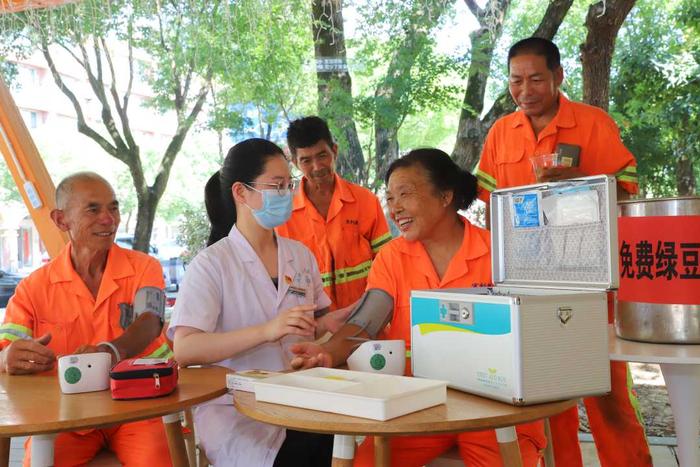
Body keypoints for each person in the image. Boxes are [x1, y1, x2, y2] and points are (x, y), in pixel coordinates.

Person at [290, 149, 546, 467]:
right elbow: (364, 325)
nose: (394, 208)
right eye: (390, 198)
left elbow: (537, 335)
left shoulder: (500, 254)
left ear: (445, 196)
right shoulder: (391, 257)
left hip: (494, 408)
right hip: (414, 405)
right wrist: (328, 353)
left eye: (404, 194)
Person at [476, 37, 651, 467]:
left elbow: (627, 196)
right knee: (546, 392)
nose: (525, 90)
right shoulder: (501, 132)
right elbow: (491, 207)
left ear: (558, 76)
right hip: (528, 280)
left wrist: (579, 180)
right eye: (516, 80)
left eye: (536, 78)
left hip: (589, 277)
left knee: (606, 388)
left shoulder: (593, 124)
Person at [168, 138, 339, 467]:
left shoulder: (300, 256)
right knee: (298, 455)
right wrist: (266, 331)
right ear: (241, 192)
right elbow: (185, 349)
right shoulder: (211, 265)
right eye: (276, 185)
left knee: (337, 445)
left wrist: (320, 344)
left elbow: (314, 329)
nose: (286, 193)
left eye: (289, 184)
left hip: (297, 398)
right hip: (236, 410)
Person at [0, 172, 174, 467]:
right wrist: (9, 357)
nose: (109, 219)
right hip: (67, 417)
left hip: (141, 410)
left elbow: (151, 319)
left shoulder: (144, 267)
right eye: (93, 209)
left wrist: (111, 351)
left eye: (114, 207)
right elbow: (6, 349)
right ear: (60, 220)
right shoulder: (34, 287)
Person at [277, 116, 391, 312]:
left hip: (366, 320)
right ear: (295, 162)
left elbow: (387, 264)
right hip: (313, 326)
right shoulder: (283, 214)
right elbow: (284, 278)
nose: (317, 166)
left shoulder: (366, 201)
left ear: (335, 151)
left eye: (322, 155)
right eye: (306, 160)